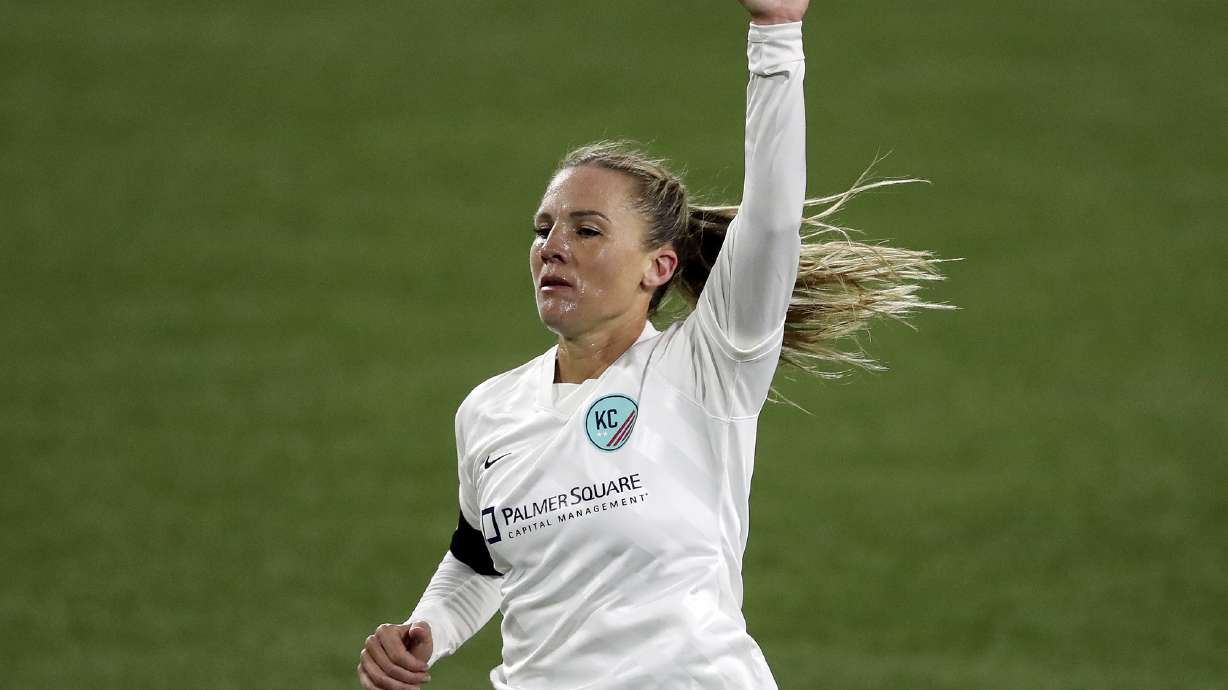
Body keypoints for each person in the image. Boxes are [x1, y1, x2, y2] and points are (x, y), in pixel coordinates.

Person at [359, 1, 948, 688]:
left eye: (586, 230)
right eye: (543, 228)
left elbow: (772, 221)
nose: (552, 247)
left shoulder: (709, 367)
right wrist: (429, 629)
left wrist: (777, 36)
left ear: (658, 266)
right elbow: (479, 558)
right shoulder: (489, 412)